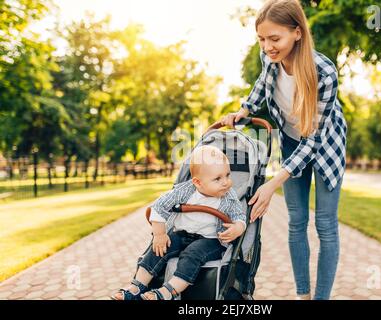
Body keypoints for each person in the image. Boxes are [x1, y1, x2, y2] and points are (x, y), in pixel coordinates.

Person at [221, 0, 347, 300]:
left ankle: (321, 298)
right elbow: (261, 86)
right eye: (262, 39)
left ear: (297, 33)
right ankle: (303, 295)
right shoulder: (270, 61)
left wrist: (272, 183)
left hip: (325, 143)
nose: (267, 47)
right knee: (297, 220)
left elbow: (314, 140)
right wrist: (243, 111)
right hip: (291, 140)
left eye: (274, 39)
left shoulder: (324, 73)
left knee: (325, 224)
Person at [111, 145, 246, 300]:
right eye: (218, 178)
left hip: (211, 240)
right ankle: (136, 286)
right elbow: (159, 206)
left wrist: (238, 227)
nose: (226, 182)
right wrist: (159, 234)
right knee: (159, 247)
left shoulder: (228, 196)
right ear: (198, 182)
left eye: (227, 175)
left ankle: (169, 291)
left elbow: (239, 215)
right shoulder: (185, 191)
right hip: (182, 235)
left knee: (193, 253)